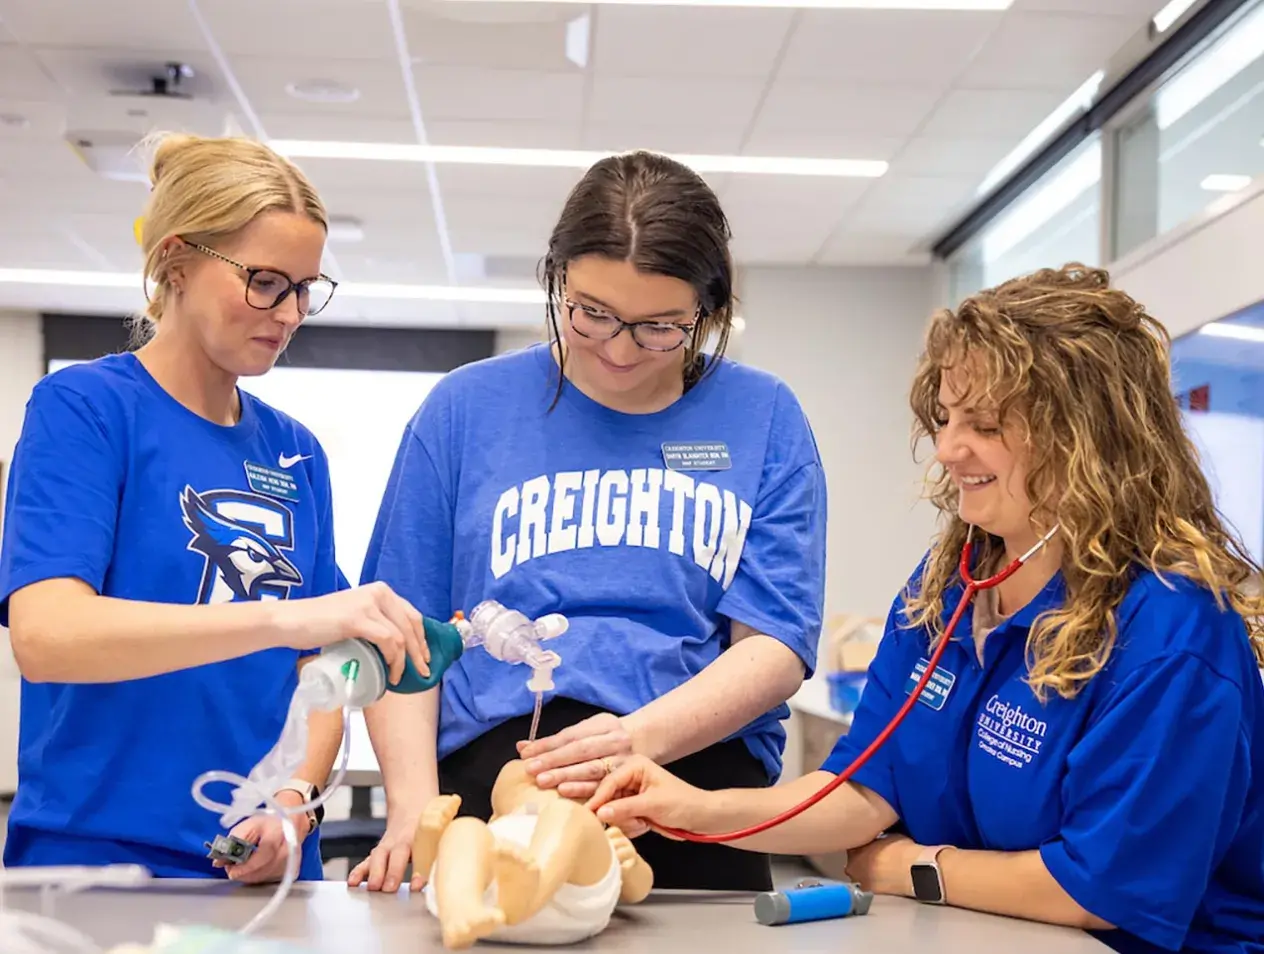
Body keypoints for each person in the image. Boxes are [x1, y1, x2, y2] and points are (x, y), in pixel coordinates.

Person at [586, 263, 1264, 954]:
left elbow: (1095, 888)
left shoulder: (1174, 633)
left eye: (986, 423)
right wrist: (686, 809)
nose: (946, 449)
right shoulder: (949, 590)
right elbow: (860, 792)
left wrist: (918, 868)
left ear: (1086, 435)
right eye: (945, 419)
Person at [349, 150, 827, 895]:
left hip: (692, 782)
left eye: (660, 327)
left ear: (711, 311)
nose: (618, 350)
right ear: (556, 279)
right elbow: (397, 633)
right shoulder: (466, 409)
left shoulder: (764, 417)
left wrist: (634, 739)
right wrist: (413, 803)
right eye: (592, 313)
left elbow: (774, 642)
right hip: (496, 775)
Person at [0, 133, 429, 883]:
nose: (290, 312)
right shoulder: (87, 410)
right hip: (101, 861)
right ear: (177, 261)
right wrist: (289, 617)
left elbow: (319, 669)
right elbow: (48, 634)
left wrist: (295, 801)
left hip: (267, 869)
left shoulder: (296, 452)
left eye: (305, 287)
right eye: (265, 281)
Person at [414, 759, 653, 950]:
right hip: (485, 896)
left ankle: (530, 893)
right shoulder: (495, 830)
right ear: (495, 815)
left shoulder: (591, 829)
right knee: (464, 827)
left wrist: (631, 868)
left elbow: (638, 891)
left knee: (569, 816)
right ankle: (461, 912)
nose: (550, 774)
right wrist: (429, 835)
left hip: (569, 889)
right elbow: (430, 872)